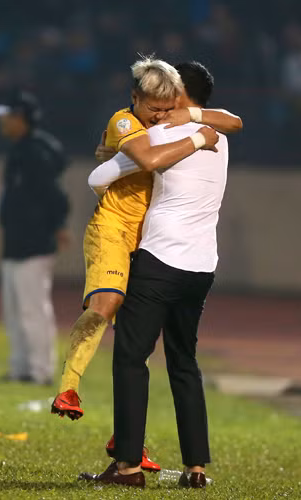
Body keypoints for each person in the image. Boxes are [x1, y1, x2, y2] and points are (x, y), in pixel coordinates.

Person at [51, 56, 241, 470]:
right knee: (181, 361)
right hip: (197, 263)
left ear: (178, 95)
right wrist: (197, 132)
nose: (160, 109)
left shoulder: (162, 133)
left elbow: (99, 177)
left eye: (167, 99)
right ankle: (195, 468)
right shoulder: (220, 137)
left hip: (157, 255)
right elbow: (234, 121)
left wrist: (117, 159)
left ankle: (128, 461)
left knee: (131, 355)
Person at [0, 91, 70, 385]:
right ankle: (21, 367)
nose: (3, 122)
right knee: (14, 309)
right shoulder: (21, 149)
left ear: (20, 118)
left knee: (32, 308)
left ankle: (39, 370)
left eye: (7, 116)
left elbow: (56, 195)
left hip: (34, 242)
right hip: (16, 240)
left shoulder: (35, 152)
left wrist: (58, 225)